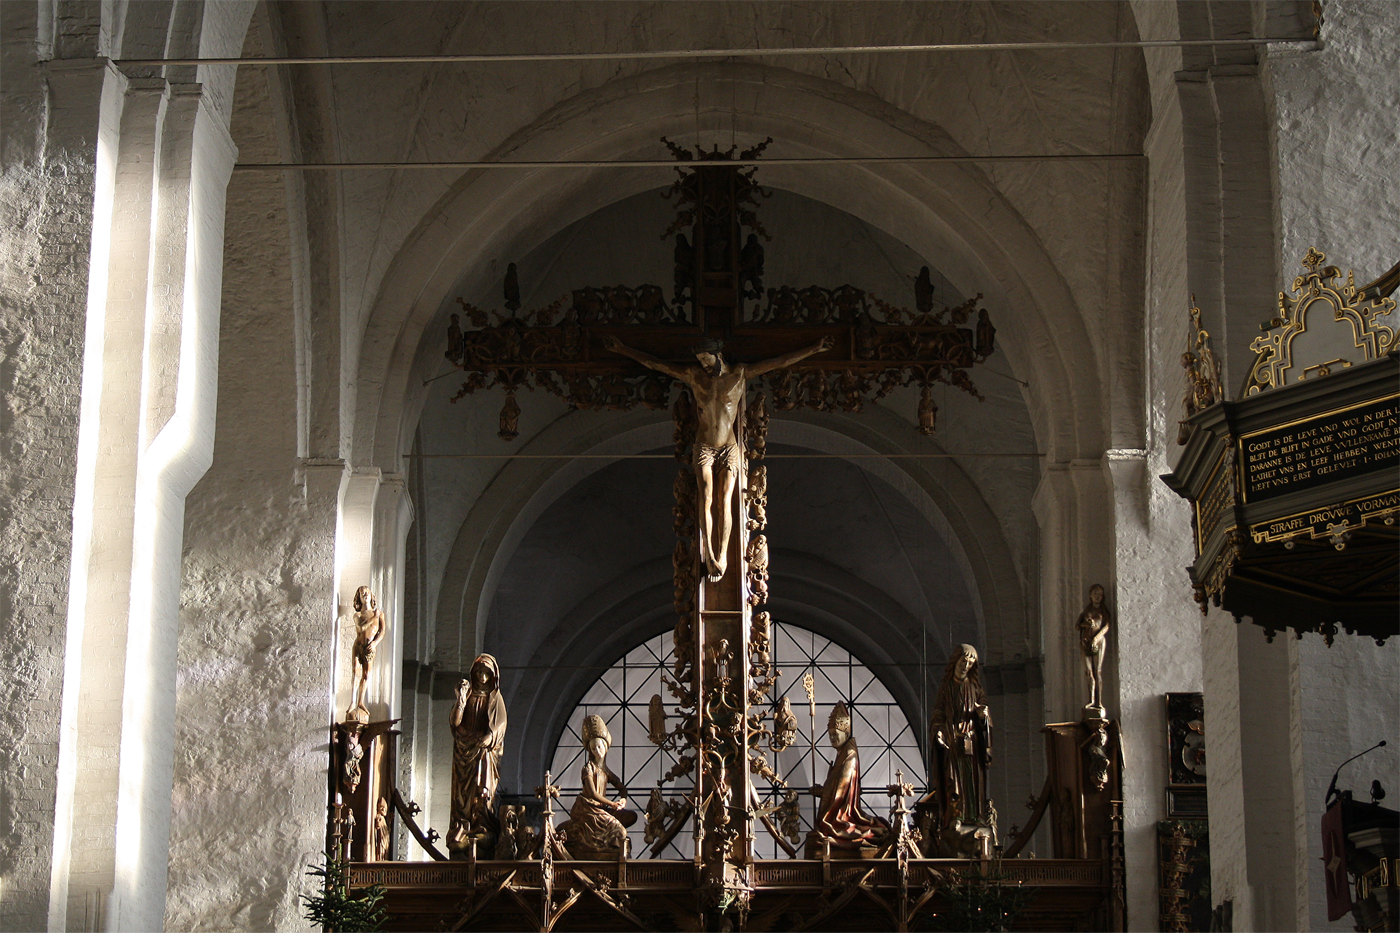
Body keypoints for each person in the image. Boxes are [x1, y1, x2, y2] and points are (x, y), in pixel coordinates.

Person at [606, 334, 832, 580]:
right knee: (705, 497)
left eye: (706, 359)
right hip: (704, 446)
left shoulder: (739, 374)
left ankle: (721, 555)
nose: (704, 364)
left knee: (725, 500)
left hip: (729, 448)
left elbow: (780, 362)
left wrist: (814, 349)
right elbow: (656, 364)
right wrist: (623, 349)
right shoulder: (695, 377)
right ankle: (709, 554)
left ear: (718, 355)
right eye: (701, 360)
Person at [928, 644, 993, 836]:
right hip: (953, 742)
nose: (965, 665)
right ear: (955, 661)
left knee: (973, 781)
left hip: (972, 744)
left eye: (970, 662)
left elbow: (985, 715)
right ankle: (956, 815)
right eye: (963, 661)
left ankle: (977, 815)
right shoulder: (946, 687)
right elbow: (938, 712)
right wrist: (938, 731)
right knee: (954, 781)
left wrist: (983, 716)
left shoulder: (975, 688)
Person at [809, 702, 889, 852]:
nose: (832, 738)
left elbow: (841, 790)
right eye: (830, 734)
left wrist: (823, 792)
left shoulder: (849, 757)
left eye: (835, 734)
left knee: (827, 830)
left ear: (845, 734)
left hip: (843, 812)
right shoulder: (842, 754)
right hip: (837, 808)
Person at [448, 654, 507, 851]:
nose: (482, 677)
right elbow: (455, 723)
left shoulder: (495, 698)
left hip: (483, 751)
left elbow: (500, 724)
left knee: (482, 788)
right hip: (464, 749)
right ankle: (462, 825)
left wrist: (489, 737)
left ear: (493, 676)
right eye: (479, 672)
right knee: (463, 793)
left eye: (486, 674)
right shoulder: (469, 696)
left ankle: (482, 823)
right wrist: (461, 699)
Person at [559, 715, 635, 856]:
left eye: (599, 747)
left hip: (601, 808)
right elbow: (593, 793)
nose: (597, 751)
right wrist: (612, 804)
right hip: (588, 808)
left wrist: (623, 800)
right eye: (593, 749)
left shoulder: (605, 770)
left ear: (605, 747)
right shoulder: (588, 769)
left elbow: (622, 788)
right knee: (621, 831)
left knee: (631, 816)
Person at [347, 586, 386, 719]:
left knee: (366, 675)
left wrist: (375, 643)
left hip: (370, 647)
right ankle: (353, 702)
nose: (365, 595)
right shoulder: (358, 615)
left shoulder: (379, 614)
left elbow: (382, 631)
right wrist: (373, 617)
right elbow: (361, 627)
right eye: (362, 594)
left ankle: (361, 701)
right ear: (359, 598)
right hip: (358, 645)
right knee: (355, 671)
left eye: (367, 593)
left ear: (371, 595)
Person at [1077, 584, 1111, 714]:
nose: (1098, 597)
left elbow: (1106, 627)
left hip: (1098, 642)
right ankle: (1090, 700)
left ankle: (1099, 702)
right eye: (1095, 594)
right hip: (1085, 641)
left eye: (1100, 595)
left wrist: (1096, 639)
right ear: (1090, 595)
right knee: (1088, 672)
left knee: (1098, 671)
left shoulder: (1103, 611)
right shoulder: (1087, 610)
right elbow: (1078, 625)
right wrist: (1086, 624)